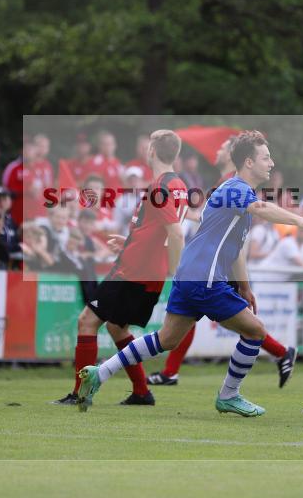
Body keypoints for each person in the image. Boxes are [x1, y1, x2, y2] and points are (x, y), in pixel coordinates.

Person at [76, 131, 303, 416]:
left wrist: (243, 287)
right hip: (205, 280)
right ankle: (229, 396)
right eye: (266, 157)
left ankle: (99, 374)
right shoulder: (237, 188)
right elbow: (262, 208)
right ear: (247, 162)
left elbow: (234, 249)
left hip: (191, 275)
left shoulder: (235, 191)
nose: (272, 162)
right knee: (255, 331)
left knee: (166, 339)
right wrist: (301, 221)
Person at [146, 135, 300, 389]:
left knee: (239, 323)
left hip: (216, 262)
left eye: (222, 148)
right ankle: (279, 354)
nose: (217, 152)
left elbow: (232, 237)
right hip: (214, 260)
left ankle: (275, 357)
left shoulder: (233, 183)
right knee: (207, 317)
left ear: (234, 156)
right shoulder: (227, 182)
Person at [52, 129, 188, 407]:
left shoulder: (161, 187)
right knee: (116, 327)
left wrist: (178, 274)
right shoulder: (179, 185)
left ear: (151, 151)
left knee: (86, 321)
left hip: (133, 270)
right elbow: (160, 231)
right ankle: (141, 392)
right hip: (145, 268)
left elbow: (175, 234)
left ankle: (81, 393)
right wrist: (130, 241)